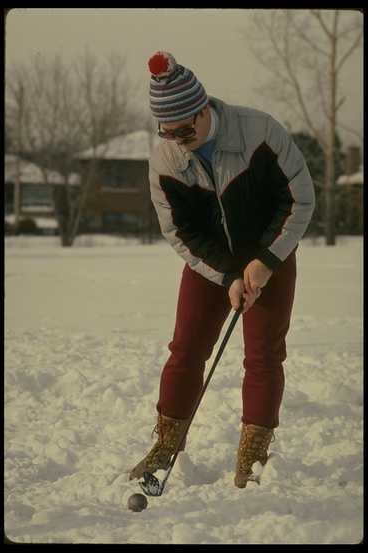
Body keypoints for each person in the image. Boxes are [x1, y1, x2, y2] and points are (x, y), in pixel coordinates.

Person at [129, 51, 315, 488]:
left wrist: (266, 262)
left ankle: (251, 459)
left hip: (272, 253)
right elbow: (180, 231)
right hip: (213, 264)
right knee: (186, 349)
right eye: (167, 131)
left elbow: (300, 199)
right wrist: (230, 275)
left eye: (184, 128)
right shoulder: (166, 160)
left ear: (201, 109)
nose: (178, 138)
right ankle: (166, 444)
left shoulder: (260, 131)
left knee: (264, 355)